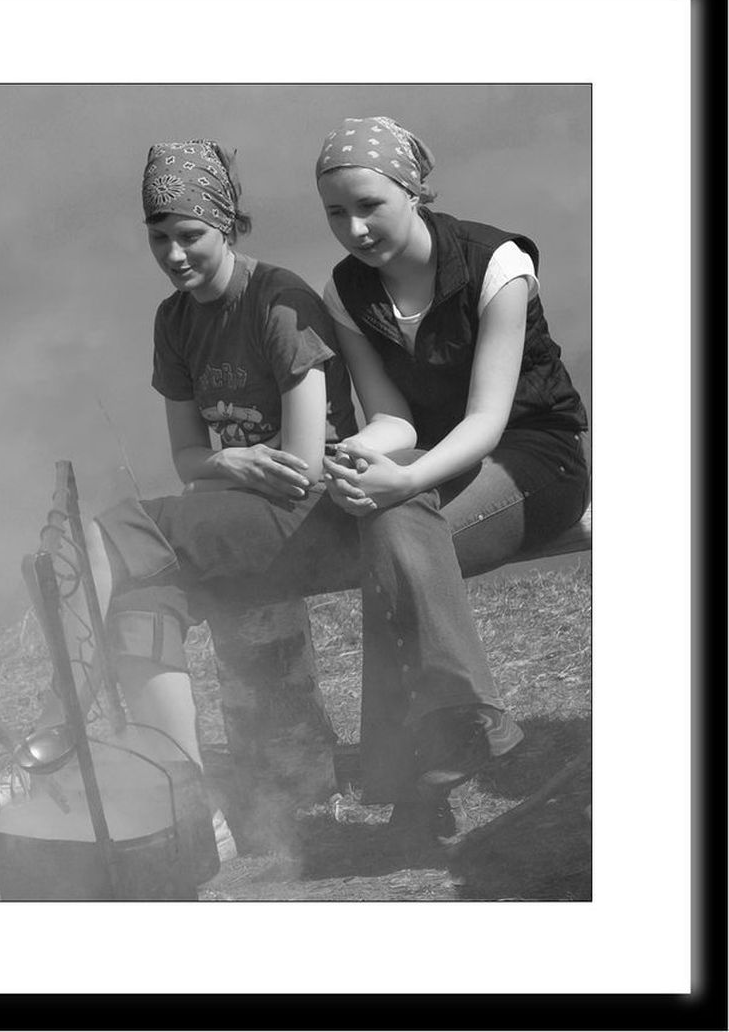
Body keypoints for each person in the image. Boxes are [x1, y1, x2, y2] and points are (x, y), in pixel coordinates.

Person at [44, 138, 359, 852]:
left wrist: (235, 466)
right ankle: (188, 808)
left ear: (228, 223)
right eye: (160, 238)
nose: (174, 255)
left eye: (191, 236)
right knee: (140, 594)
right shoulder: (174, 321)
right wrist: (239, 462)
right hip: (244, 506)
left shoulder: (279, 303)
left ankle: (62, 714)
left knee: (112, 528)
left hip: (313, 513)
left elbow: (305, 464)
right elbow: (189, 457)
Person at [314, 116, 590, 835]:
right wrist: (357, 456)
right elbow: (394, 417)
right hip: (441, 462)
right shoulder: (347, 291)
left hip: (535, 458)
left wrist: (403, 482)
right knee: (393, 535)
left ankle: (419, 773)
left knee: (398, 544)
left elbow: (488, 420)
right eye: (336, 212)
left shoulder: (496, 265)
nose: (355, 228)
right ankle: (452, 737)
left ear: (413, 190)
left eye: (370, 204)